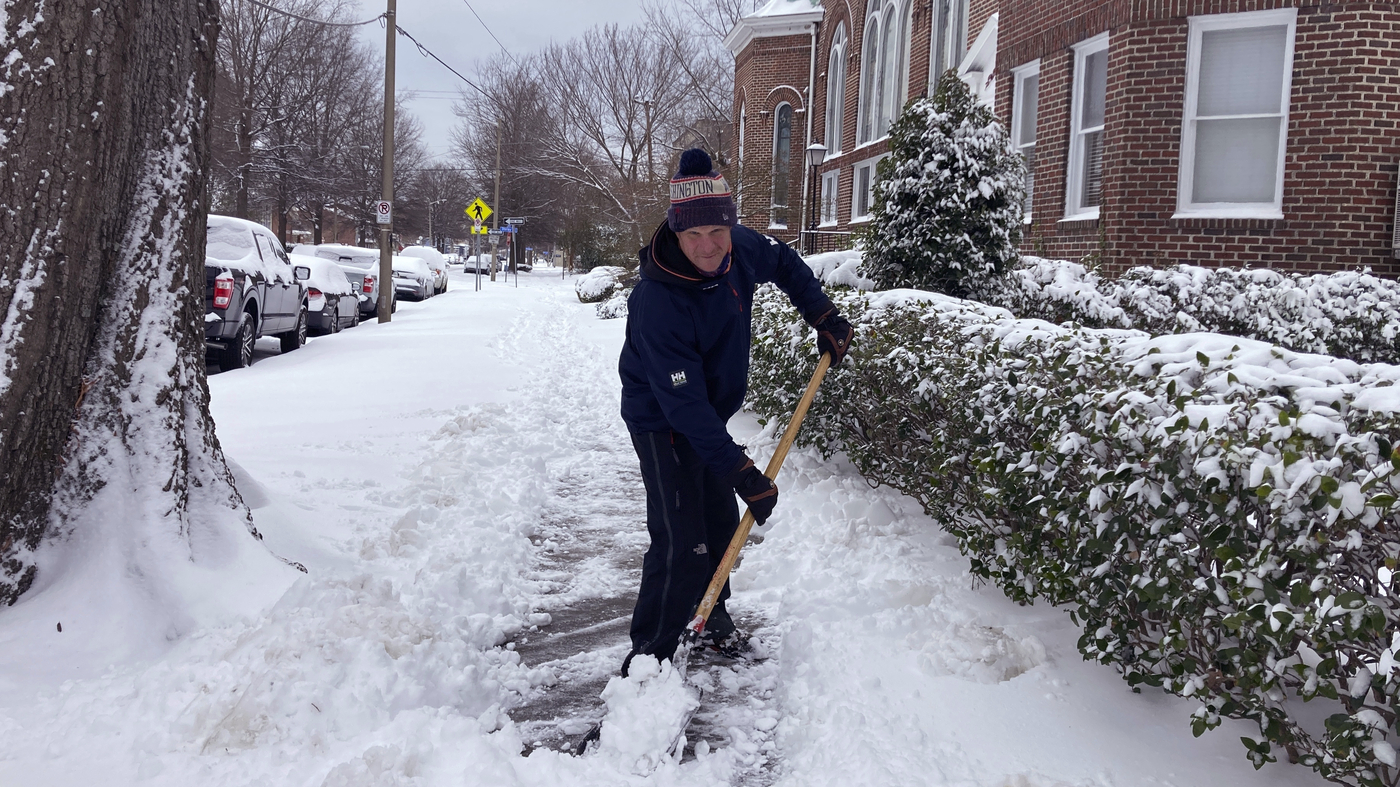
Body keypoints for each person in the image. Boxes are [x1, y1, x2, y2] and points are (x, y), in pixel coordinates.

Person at [617, 148, 853, 673]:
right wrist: (741, 470)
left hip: (707, 414)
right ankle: (648, 659)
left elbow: (787, 262)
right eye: (693, 237)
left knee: (720, 519)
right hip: (662, 421)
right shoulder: (656, 301)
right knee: (680, 540)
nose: (707, 247)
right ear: (676, 234)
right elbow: (684, 407)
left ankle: (712, 612)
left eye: (716, 234)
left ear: (729, 225)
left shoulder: (739, 248)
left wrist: (823, 314)